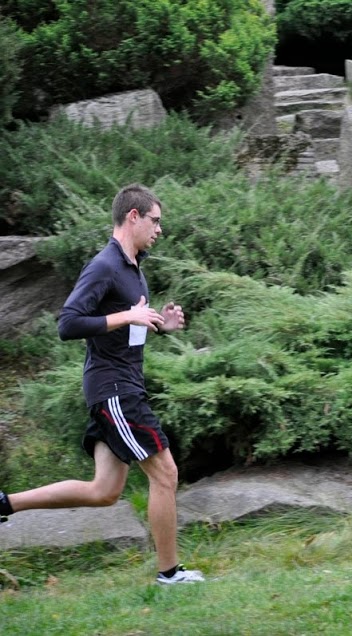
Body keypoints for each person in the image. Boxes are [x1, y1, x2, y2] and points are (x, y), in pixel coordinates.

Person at [0, 184, 204, 584]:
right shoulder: (105, 265)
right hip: (114, 390)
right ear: (133, 216)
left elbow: (128, 327)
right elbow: (69, 323)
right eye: (155, 220)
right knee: (165, 473)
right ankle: (169, 575)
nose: (160, 229)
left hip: (120, 387)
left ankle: (4, 504)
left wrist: (161, 325)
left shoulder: (133, 268)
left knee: (104, 490)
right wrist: (127, 316)